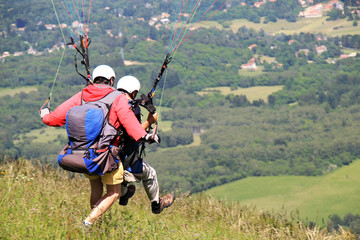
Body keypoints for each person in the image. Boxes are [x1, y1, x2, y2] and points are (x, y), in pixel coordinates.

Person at [40, 65, 159, 226]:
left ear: (94, 79)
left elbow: (53, 119)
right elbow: (130, 124)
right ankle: (88, 224)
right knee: (114, 192)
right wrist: (146, 135)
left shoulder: (81, 95)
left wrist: (45, 113)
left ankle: (97, 226)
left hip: (83, 154)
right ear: (111, 81)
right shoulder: (117, 98)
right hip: (106, 156)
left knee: (96, 189)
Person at [116, 75, 175, 214]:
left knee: (122, 176)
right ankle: (157, 204)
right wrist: (149, 122)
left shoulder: (112, 103)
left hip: (112, 155)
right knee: (150, 174)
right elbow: (133, 133)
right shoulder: (130, 108)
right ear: (133, 91)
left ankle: (124, 195)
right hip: (126, 157)